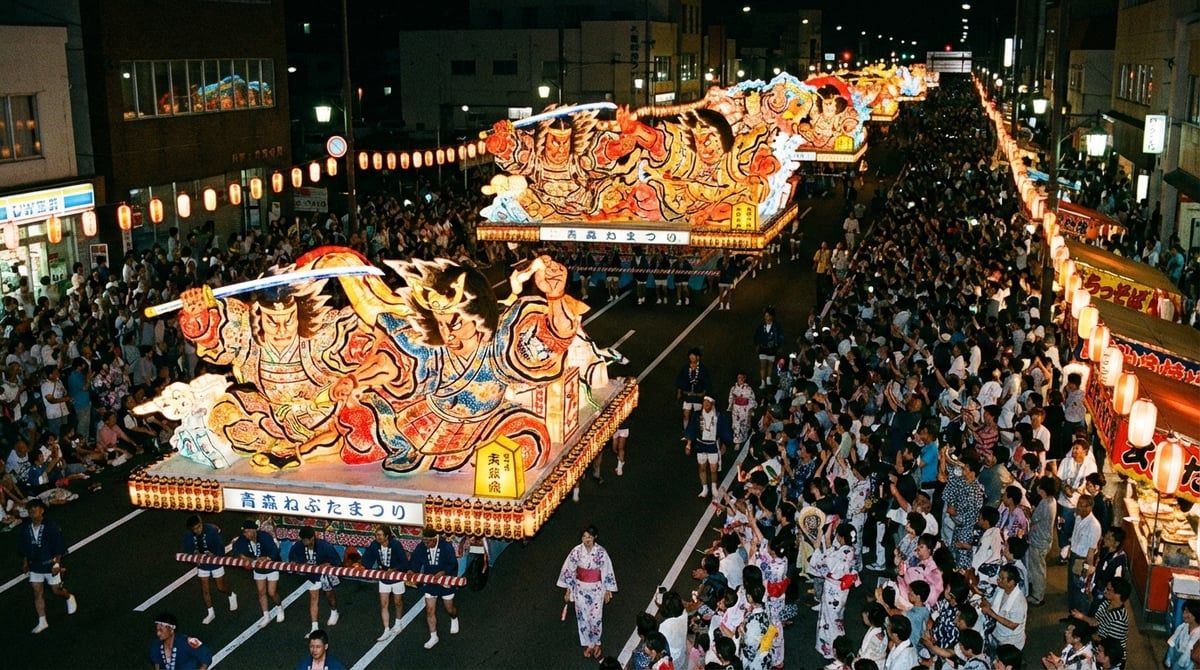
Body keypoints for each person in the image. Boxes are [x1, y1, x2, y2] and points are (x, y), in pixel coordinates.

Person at [557, 524, 619, 659]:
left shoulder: (601, 552)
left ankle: (596, 642)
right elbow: (569, 570)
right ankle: (588, 643)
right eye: (584, 537)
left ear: (595, 537)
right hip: (580, 588)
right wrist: (568, 590)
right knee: (582, 617)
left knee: (596, 617)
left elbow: (607, 570)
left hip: (596, 589)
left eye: (589, 537)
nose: (587, 539)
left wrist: (608, 590)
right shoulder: (576, 551)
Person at [18, 498, 76, 633]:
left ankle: (68, 596)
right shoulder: (26, 528)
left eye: (35, 509)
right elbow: (24, 546)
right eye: (30, 510)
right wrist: (25, 562)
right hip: (35, 566)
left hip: (49, 564)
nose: (33, 512)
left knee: (56, 591)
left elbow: (59, 546)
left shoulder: (51, 526)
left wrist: (57, 564)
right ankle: (42, 621)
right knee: (37, 592)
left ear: (42, 510)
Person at [810, 523, 859, 659]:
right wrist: (827, 540)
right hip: (842, 590)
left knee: (830, 619)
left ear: (841, 537)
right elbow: (831, 554)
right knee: (837, 617)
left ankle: (832, 650)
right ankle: (837, 644)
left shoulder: (840, 554)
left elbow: (822, 563)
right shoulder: (850, 551)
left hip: (833, 589)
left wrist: (816, 549)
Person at [181, 514, 236, 625]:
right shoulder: (189, 535)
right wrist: (194, 554)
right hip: (203, 565)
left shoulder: (211, 531)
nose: (198, 530)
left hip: (215, 562)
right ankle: (211, 613)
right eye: (195, 529)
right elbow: (187, 549)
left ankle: (231, 594)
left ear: (201, 523)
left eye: (199, 527)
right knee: (205, 590)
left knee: (221, 587)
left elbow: (220, 548)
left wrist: (214, 555)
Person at [411, 526, 460, 649]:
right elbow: (415, 561)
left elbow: (453, 563)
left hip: (445, 580)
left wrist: (443, 572)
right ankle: (433, 636)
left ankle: (454, 617)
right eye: (424, 541)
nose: (425, 544)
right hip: (430, 581)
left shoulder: (446, 547)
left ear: (434, 539)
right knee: (429, 610)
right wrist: (412, 571)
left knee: (449, 608)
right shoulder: (421, 547)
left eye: (427, 541)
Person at [288, 525, 340, 635]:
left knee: (329, 595)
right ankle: (314, 627)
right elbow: (292, 557)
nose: (304, 542)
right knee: (313, 598)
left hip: (326, 573)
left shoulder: (325, 546)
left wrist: (328, 564)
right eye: (302, 540)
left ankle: (334, 611)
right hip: (312, 575)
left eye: (306, 540)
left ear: (312, 538)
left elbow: (337, 562)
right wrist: (294, 562)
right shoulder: (298, 546)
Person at [231, 519, 283, 628]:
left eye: (247, 531)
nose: (245, 534)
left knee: (272, 592)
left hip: (271, 567)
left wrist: (267, 558)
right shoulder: (243, 539)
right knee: (261, 592)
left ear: (253, 530)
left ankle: (279, 607)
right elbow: (235, 549)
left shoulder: (264, 537)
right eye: (244, 532)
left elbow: (274, 551)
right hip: (258, 568)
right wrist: (243, 557)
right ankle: (266, 615)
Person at [362, 525, 410, 640]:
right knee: (384, 604)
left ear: (387, 536)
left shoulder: (396, 545)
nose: (377, 537)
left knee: (398, 602)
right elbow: (368, 558)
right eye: (376, 535)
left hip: (397, 577)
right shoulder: (374, 545)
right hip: (383, 577)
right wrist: (363, 567)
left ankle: (398, 623)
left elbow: (404, 562)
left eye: (379, 535)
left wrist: (394, 569)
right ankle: (386, 629)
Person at [684, 396, 734, 498]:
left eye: (708, 403)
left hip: (712, 445)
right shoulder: (697, 415)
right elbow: (691, 428)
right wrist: (688, 445)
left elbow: (725, 431)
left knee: (713, 468)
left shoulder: (718, 416)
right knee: (702, 467)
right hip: (700, 444)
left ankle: (714, 487)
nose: (706, 404)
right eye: (704, 402)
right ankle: (704, 489)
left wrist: (724, 444)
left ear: (712, 404)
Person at [1027, 476, 1058, 606]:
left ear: (1043, 489)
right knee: (1038, 567)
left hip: (1039, 540)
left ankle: (1037, 596)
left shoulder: (1044, 503)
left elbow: (1033, 519)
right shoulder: (1052, 501)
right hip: (1045, 539)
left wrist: (1029, 511)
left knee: (1038, 569)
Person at [982, 564, 1027, 650]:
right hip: (999, 633)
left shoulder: (1019, 602)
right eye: (999, 577)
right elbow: (992, 604)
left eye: (1002, 578)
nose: (998, 580)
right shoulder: (1000, 589)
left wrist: (991, 613)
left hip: (1011, 641)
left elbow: (1013, 625)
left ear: (1011, 583)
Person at [675, 347, 712, 432]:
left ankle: (697, 432)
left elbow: (706, 382)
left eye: (693, 356)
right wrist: (679, 392)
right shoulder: (685, 368)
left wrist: (704, 394)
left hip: (698, 396)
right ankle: (686, 432)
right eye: (690, 356)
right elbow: (680, 380)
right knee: (686, 414)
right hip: (687, 395)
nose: (691, 358)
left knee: (697, 415)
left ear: (698, 357)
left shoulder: (703, 369)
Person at [753, 308, 785, 389]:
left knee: (770, 365)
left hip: (771, 349)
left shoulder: (776, 327)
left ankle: (768, 379)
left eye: (768, 316)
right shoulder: (761, 327)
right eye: (765, 316)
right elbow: (756, 336)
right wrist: (757, 344)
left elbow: (780, 337)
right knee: (763, 365)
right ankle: (762, 382)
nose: (766, 318)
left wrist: (779, 346)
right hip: (763, 348)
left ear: (772, 317)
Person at [1166, 600, 1200, 670]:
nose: (1183, 615)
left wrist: (1177, 665)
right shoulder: (1183, 626)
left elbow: (1188, 652)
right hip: (1177, 659)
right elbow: (1172, 641)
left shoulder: (1198, 633)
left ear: (1196, 614)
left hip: (1189, 664)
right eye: (1184, 611)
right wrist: (1169, 659)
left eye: (1187, 612)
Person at [728, 372, 758, 446]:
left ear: (745, 379)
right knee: (736, 425)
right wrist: (732, 404)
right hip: (736, 409)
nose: (741, 379)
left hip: (745, 409)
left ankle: (744, 439)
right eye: (739, 377)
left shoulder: (748, 388)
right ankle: (737, 442)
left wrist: (750, 409)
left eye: (742, 377)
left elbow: (752, 399)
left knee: (744, 425)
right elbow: (731, 398)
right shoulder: (733, 388)